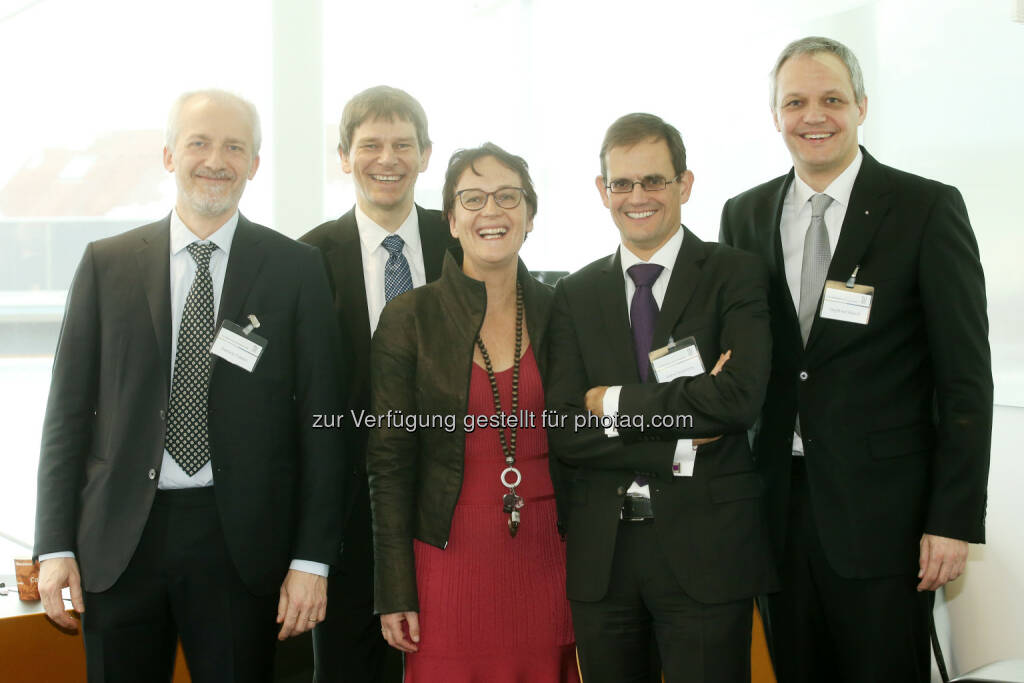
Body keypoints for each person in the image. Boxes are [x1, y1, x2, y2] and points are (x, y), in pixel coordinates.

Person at [33, 89, 348, 683]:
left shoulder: (296, 269)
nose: (216, 160)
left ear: (254, 164)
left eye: (235, 146)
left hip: (243, 548)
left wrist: (312, 559)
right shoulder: (107, 264)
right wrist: (53, 548)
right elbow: (66, 417)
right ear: (169, 156)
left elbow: (323, 425)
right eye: (199, 143)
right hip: (119, 544)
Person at [719, 36, 992, 683]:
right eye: (796, 102)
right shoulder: (744, 215)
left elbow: (965, 379)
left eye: (832, 99)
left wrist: (951, 520)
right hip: (777, 513)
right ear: (775, 114)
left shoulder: (924, 208)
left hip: (885, 522)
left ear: (862, 106)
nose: (814, 116)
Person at [545, 113, 777, 683]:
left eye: (653, 180)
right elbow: (566, 429)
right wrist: (679, 431)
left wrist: (615, 404)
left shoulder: (736, 275)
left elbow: (737, 399)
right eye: (621, 184)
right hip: (605, 558)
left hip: (707, 552)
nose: (637, 196)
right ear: (602, 192)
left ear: (685, 184)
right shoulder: (574, 293)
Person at [367, 143, 578, 682]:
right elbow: (388, 463)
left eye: (508, 197)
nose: (492, 211)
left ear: (530, 216)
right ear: (452, 220)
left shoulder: (563, 311)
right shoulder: (410, 317)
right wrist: (394, 588)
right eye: (474, 198)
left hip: (548, 558)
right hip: (447, 556)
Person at [300, 85, 454, 683]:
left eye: (402, 145)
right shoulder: (305, 259)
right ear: (344, 156)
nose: (386, 158)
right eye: (370, 145)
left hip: (454, 505)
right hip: (347, 518)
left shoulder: (463, 243)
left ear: (425, 155)